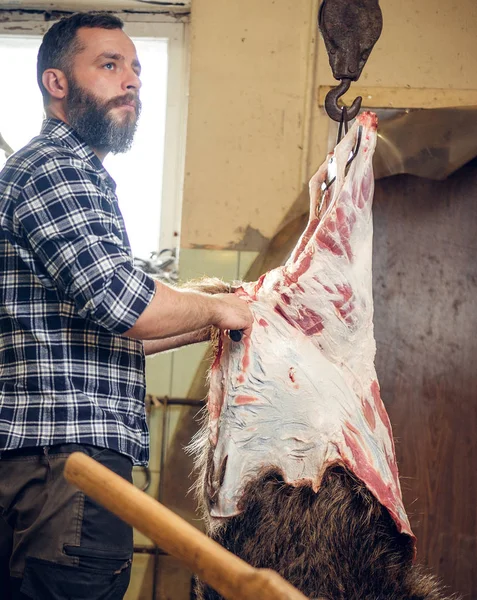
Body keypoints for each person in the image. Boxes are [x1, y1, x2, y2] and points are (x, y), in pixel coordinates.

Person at [0, 12, 253, 600]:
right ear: (56, 83)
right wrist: (218, 311)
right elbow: (121, 303)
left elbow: (110, 336)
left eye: (136, 68)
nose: (132, 80)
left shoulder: (75, 174)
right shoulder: (54, 168)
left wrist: (206, 315)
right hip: (66, 470)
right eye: (109, 65)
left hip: (55, 466)